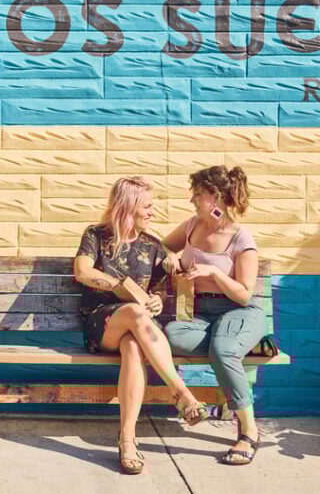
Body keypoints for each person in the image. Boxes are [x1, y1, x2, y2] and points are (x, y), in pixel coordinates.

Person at [74, 176, 208, 476]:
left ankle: (127, 439)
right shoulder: (96, 235)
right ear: (129, 205)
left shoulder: (153, 245)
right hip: (101, 323)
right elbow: (82, 271)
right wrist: (120, 287)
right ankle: (182, 393)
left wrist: (158, 301)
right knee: (135, 312)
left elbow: (159, 289)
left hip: (137, 329)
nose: (152, 212)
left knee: (133, 348)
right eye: (147, 206)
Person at [162, 165, 266, 466]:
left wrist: (213, 273)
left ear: (215, 196)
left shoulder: (240, 238)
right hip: (202, 315)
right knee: (172, 336)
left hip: (239, 311)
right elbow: (163, 245)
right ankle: (233, 347)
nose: (192, 200)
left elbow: (244, 294)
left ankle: (248, 431)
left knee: (222, 349)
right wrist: (169, 254)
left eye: (197, 194)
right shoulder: (193, 225)